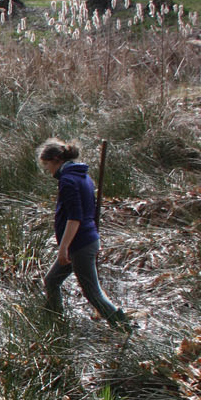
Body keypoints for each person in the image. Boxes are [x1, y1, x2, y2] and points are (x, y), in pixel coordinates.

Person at [39, 139, 128, 327]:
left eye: (47, 164)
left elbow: (75, 218)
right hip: (86, 240)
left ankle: (122, 325)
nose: (47, 169)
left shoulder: (68, 180)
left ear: (56, 160)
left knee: (92, 292)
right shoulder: (83, 176)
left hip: (80, 244)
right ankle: (56, 321)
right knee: (52, 280)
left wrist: (63, 247)